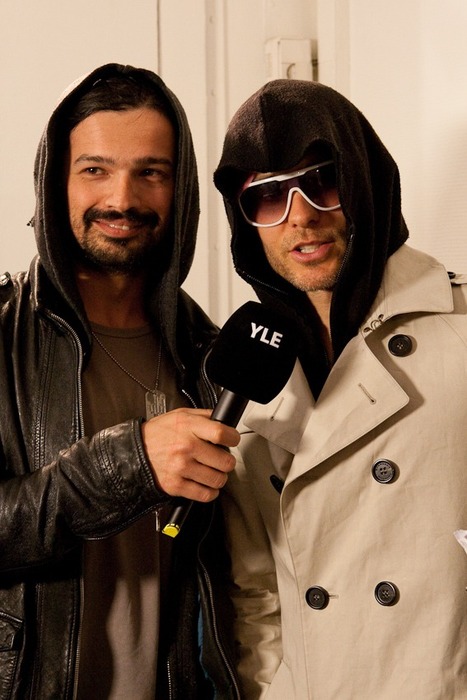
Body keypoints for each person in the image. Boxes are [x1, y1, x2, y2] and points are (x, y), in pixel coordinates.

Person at [213, 78, 467, 699]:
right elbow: (255, 590)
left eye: (322, 180)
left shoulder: (460, 329)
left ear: (364, 179)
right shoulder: (245, 368)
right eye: (267, 196)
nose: (300, 216)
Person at [0, 63, 242, 699]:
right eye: (95, 170)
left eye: (150, 172)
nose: (122, 199)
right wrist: (128, 464)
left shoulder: (210, 354)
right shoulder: (1, 338)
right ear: (55, 181)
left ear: (179, 189)